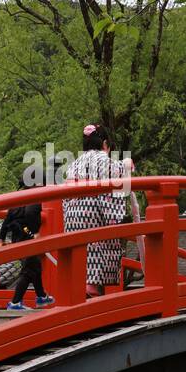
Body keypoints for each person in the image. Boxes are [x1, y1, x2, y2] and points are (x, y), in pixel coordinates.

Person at [63, 124, 130, 298]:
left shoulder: (74, 163)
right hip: (92, 212)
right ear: (105, 143)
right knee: (96, 244)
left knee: (80, 249)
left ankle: (80, 284)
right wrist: (127, 165)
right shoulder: (102, 159)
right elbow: (118, 172)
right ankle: (91, 286)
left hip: (72, 214)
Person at [0, 177, 54, 311]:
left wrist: (1, 238)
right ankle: (15, 303)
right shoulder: (33, 198)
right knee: (29, 271)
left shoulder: (18, 199)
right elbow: (30, 212)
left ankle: (41, 296)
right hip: (29, 239)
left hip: (17, 239)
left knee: (35, 267)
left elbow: (7, 220)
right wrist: (35, 232)